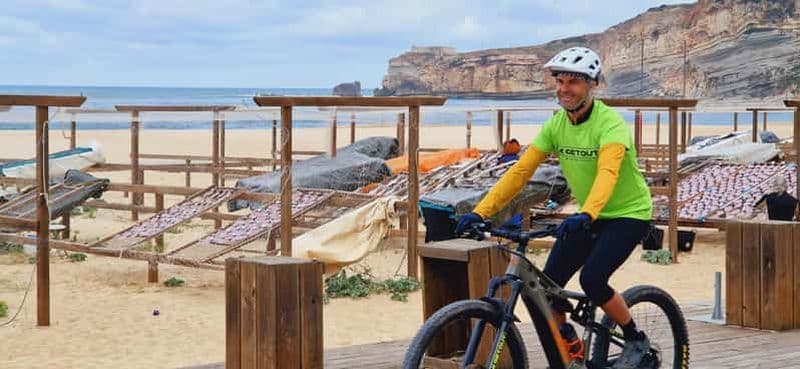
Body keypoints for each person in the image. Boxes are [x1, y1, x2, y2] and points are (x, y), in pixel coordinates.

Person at [455, 47, 653, 369]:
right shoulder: (556, 125)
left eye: (573, 82)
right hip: (588, 213)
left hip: (627, 214)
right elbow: (520, 172)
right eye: (559, 81)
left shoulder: (611, 125)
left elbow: (608, 173)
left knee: (592, 279)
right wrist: (481, 212)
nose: (564, 89)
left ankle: (634, 338)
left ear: (593, 85)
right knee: (549, 290)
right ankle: (570, 350)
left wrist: (587, 213)